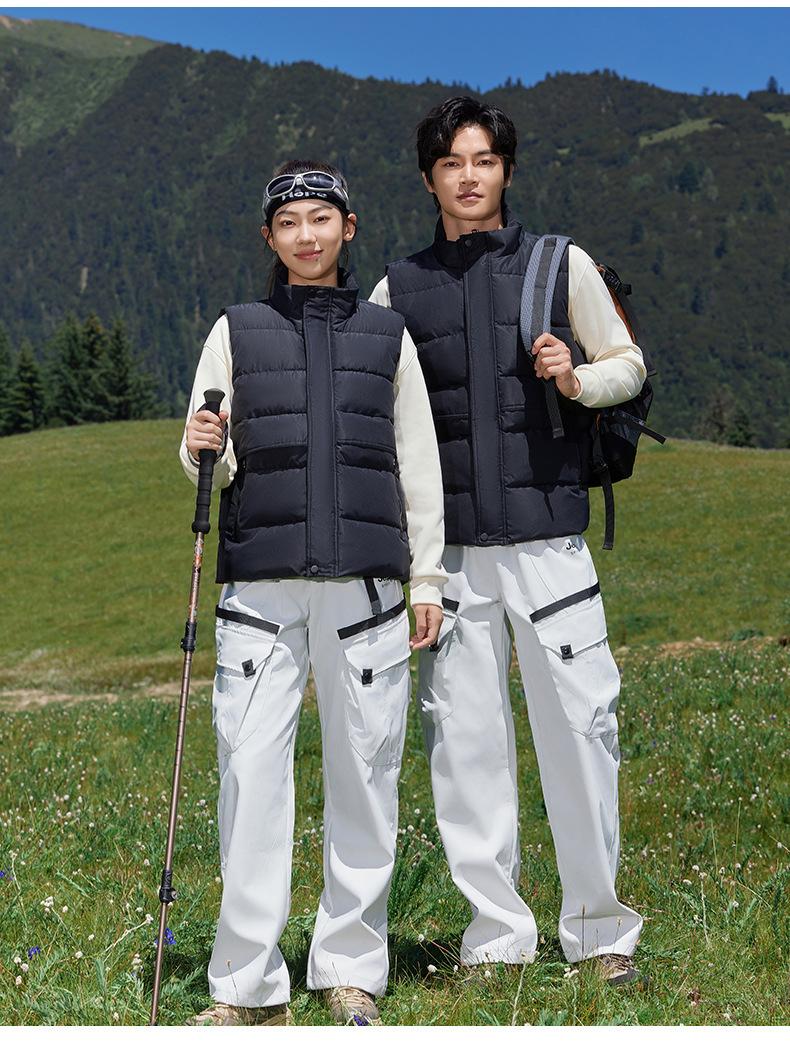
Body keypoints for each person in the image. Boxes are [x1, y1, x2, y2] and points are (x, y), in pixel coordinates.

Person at [370, 97, 646, 986]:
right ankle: (496, 939)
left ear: (507, 170)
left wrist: (579, 377)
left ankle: (599, 934)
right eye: (452, 162)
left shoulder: (560, 263)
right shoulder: (396, 290)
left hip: (549, 544)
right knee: (465, 748)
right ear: (429, 178)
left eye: (483, 159)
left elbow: (629, 363)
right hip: (449, 558)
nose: (469, 176)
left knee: (582, 730)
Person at [179, 160, 447, 1025]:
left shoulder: (388, 335)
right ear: (270, 237)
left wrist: (428, 578)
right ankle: (245, 984)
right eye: (288, 222)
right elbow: (203, 453)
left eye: (320, 218)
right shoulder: (236, 330)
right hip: (260, 589)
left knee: (365, 772)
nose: (306, 235)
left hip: (365, 586)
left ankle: (351, 967)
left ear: (347, 227)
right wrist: (200, 443)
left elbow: (419, 467)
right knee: (250, 775)